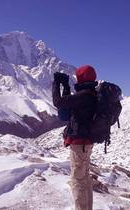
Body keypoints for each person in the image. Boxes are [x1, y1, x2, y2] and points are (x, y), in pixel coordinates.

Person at [52, 65, 98, 210]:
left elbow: (58, 102)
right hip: (86, 143)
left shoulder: (84, 96)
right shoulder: (92, 95)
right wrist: (65, 85)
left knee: (77, 181)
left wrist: (56, 83)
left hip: (79, 144)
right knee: (84, 179)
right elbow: (67, 107)